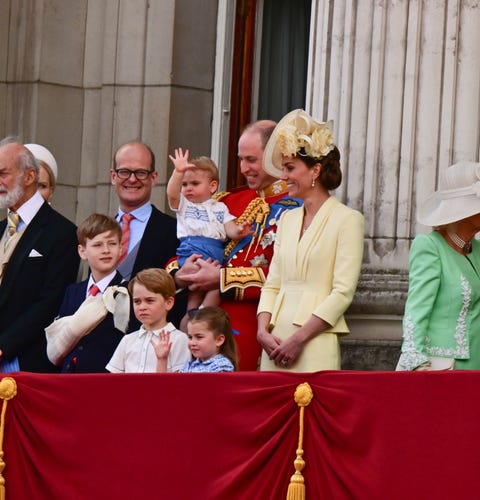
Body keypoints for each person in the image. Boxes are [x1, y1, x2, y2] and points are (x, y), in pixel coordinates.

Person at [174, 120, 301, 370]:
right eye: (240, 159)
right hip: (201, 331)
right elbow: (186, 245)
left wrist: (222, 279)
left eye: (251, 160)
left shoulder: (297, 207)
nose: (243, 168)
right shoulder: (224, 202)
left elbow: (287, 277)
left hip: (253, 328)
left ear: (275, 156)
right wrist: (180, 275)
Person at [256, 109, 364, 372]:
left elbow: (342, 292)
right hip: (274, 342)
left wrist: (298, 340)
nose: (283, 177)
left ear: (315, 169)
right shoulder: (287, 219)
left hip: (314, 342)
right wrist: (261, 332)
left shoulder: (348, 219)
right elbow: (272, 284)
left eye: (290, 168)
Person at [0, 139, 79, 372]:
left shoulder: (63, 233)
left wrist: (4, 346)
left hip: (25, 363)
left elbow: (50, 302)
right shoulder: (1, 227)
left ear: (29, 176)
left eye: (4, 173)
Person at [397, 161, 480, 371]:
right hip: (443, 369)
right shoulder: (430, 247)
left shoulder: (478, 250)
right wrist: (417, 363)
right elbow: (417, 310)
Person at [167, 148, 252, 329]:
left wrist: (240, 231)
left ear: (212, 186)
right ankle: (191, 316)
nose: (188, 188)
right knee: (196, 285)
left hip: (215, 251)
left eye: (195, 183)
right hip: (193, 249)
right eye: (185, 184)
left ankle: (203, 313)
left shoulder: (221, 207)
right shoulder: (184, 205)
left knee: (217, 285)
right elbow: (172, 194)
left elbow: (229, 228)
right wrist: (178, 172)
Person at [110, 140, 184, 328]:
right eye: (124, 172)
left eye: (141, 172)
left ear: (154, 177)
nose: (132, 179)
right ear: (113, 176)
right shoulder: (101, 230)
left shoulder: (175, 231)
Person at [46, 213, 129, 373]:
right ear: (82, 251)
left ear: (120, 248)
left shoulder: (127, 292)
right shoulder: (73, 291)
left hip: (105, 382)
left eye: (112, 244)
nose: (106, 250)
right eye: (97, 245)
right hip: (69, 379)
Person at [106, 268, 190, 373]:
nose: (142, 307)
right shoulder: (127, 340)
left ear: (168, 303)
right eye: (137, 301)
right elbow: (114, 381)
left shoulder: (179, 339)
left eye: (149, 301)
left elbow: (180, 383)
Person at [153, 306, 238, 372]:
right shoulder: (190, 365)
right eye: (190, 337)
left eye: (199, 337)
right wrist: (162, 359)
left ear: (219, 340)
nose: (192, 343)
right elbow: (165, 387)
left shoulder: (222, 366)